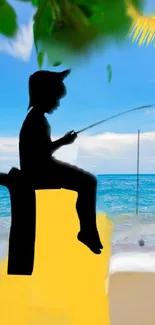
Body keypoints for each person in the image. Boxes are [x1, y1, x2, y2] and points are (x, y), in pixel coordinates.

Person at [19, 69, 103, 254]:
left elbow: (41, 151)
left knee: (88, 181)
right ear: (44, 95)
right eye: (55, 98)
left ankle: (88, 232)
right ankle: (87, 232)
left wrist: (61, 142)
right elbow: (40, 152)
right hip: (38, 171)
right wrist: (64, 142)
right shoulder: (36, 120)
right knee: (88, 182)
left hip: (40, 168)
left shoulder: (37, 118)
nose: (57, 103)